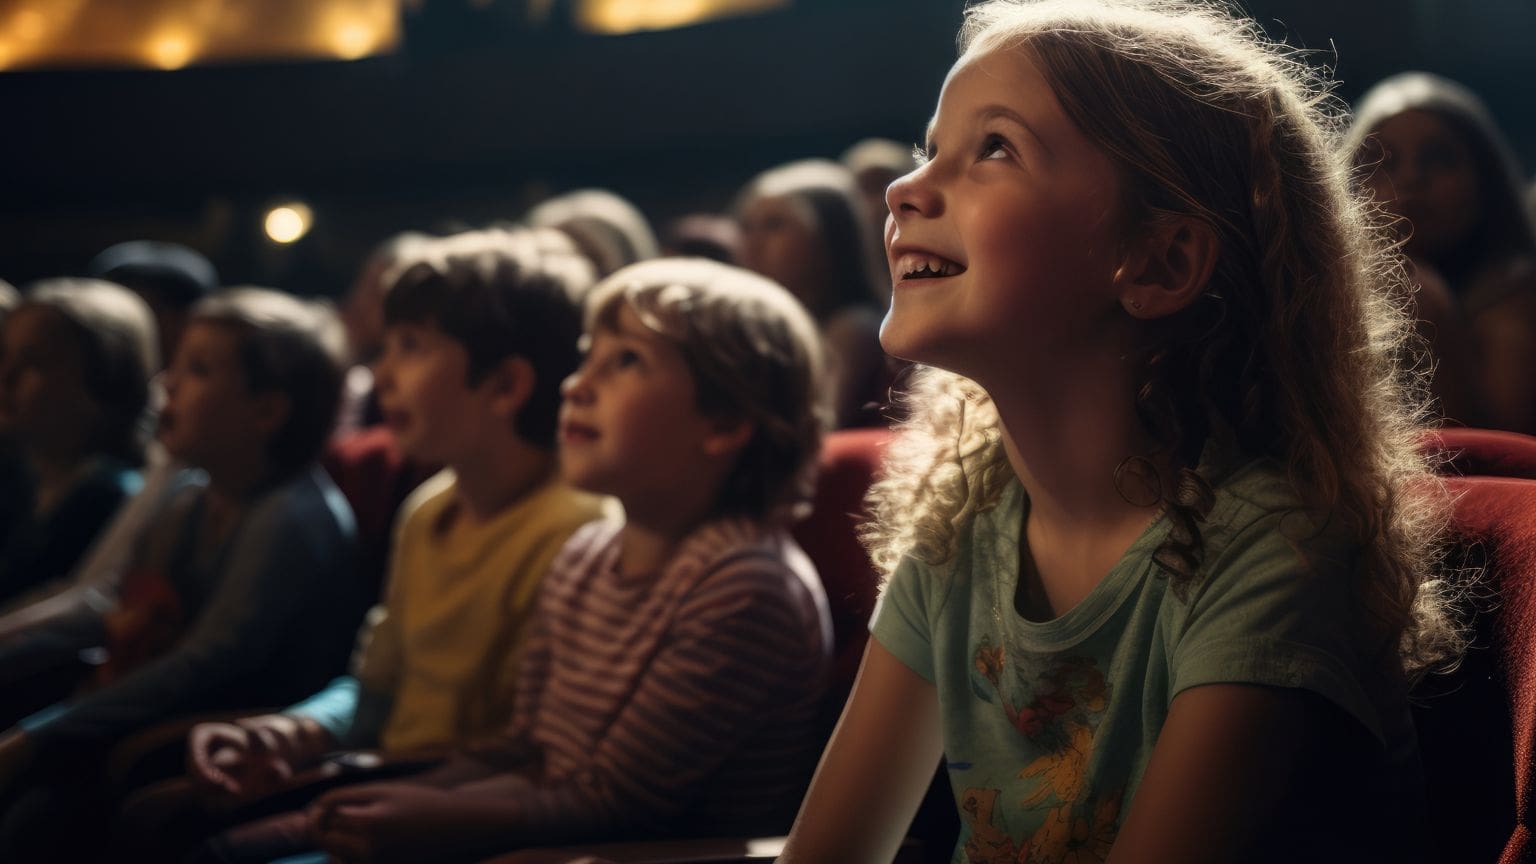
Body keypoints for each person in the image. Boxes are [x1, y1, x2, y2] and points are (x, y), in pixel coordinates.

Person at [778, 2, 1461, 862]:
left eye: (994, 147)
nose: (903, 189)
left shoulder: (1272, 551)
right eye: (930, 149)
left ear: (1161, 262)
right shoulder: (966, 516)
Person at [208, 258, 834, 863]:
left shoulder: (744, 583)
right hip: (537, 830)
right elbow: (527, 748)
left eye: (625, 362)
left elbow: (619, 803)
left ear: (723, 423)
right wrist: (406, 797)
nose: (577, 383)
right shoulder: (587, 555)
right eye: (587, 356)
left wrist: (431, 814)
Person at [117, 228, 607, 857]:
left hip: (456, 815)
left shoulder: (574, 531)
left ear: (505, 385)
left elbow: (527, 747)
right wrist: (288, 732)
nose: (381, 375)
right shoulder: (429, 509)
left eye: (411, 347)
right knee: (153, 815)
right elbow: (373, 687)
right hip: (379, 774)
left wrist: (356, 775)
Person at [0, 288, 358, 862]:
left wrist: (43, 735)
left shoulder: (290, 517)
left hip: (236, 747)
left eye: (198, 370)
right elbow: (115, 604)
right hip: (165, 721)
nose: (168, 382)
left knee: (39, 822)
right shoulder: (192, 498)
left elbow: (205, 665)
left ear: (266, 412)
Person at [1348, 72, 1536, 434]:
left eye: (1438, 159)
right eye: (1381, 161)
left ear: (1486, 182)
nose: (1411, 178)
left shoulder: (1517, 299)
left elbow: (1498, 456)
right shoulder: (1311, 293)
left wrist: (1431, 315)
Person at [0, 280, 157, 609]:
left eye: (34, 362)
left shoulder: (108, 497)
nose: (6, 376)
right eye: (4, 355)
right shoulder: (21, 478)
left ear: (103, 385)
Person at [735, 159, 891, 428]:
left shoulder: (854, 327)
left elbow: (817, 433)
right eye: (747, 227)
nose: (753, 243)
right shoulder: (774, 328)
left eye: (774, 225)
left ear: (831, 238)